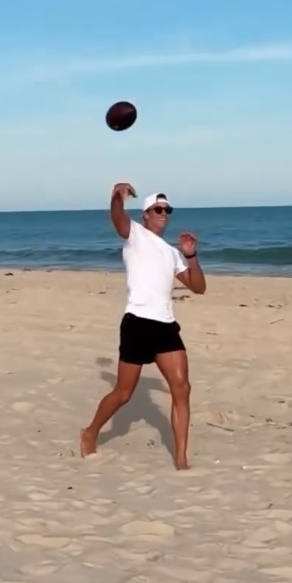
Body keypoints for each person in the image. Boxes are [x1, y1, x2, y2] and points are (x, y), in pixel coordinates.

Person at [80, 182, 207, 470]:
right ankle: (90, 432)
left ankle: (181, 459)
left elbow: (198, 287)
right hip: (137, 322)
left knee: (182, 388)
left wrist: (190, 255)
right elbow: (117, 217)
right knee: (124, 393)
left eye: (167, 209)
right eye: (158, 209)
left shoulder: (172, 253)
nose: (164, 213)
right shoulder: (135, 234)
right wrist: (116, 195)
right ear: (146, 214)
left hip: (165, 325)